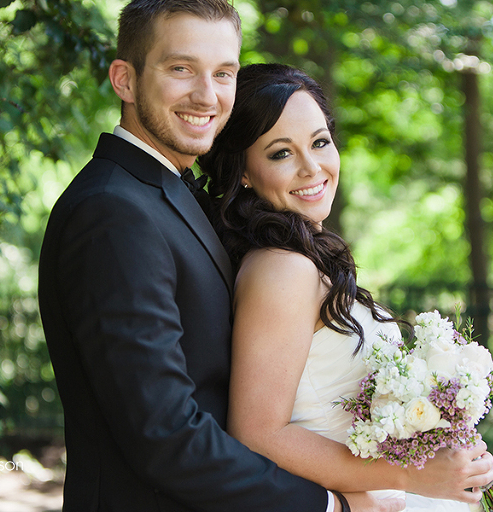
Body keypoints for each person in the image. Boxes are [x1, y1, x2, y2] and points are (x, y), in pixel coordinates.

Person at [38, 1, 403, 511]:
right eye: (181, 68)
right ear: (125, 80)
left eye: (223, 73)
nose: (207, 95)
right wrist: (329, 506)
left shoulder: (171, 196)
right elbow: (165, 435)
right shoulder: (112, 212)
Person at [199, 63, 493, 511]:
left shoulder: (302, 257)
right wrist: (411, 473)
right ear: (243, 170)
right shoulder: (282, 270)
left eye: (320, 142)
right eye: (281, 153)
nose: (312, 168)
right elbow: (258, 436)